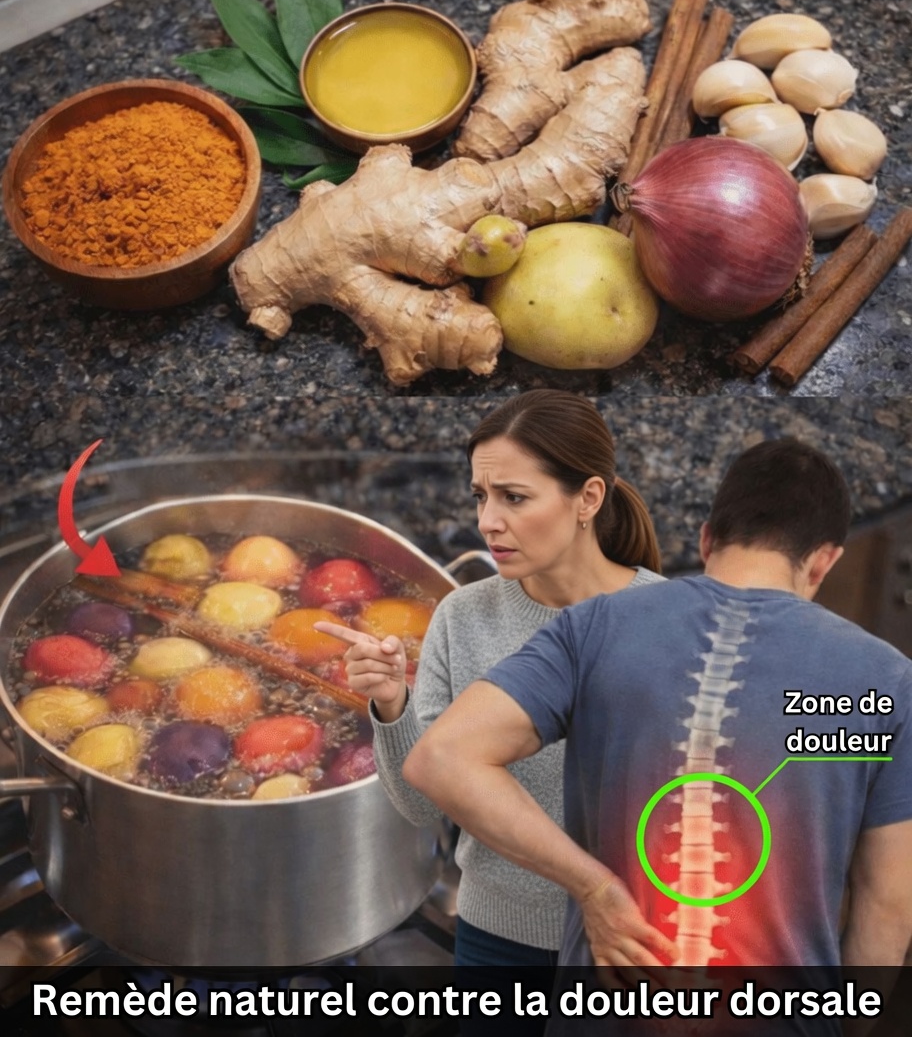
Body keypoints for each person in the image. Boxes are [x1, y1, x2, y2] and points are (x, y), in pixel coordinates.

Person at [403, 438, 912, 1031]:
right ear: (824, 562)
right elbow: (887, 908)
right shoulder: (886, 681)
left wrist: (594, 889)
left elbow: (441, 757)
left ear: (705, 540)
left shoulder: (595, 625)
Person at [315, 389, 665, 975]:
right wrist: (390, 702)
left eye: (514, 498)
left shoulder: (668, 616)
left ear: (588, 499)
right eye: (481, 496)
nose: (487, 522)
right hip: (495, 935)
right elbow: (419, 804)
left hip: (633, 935)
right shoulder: (463, 615)